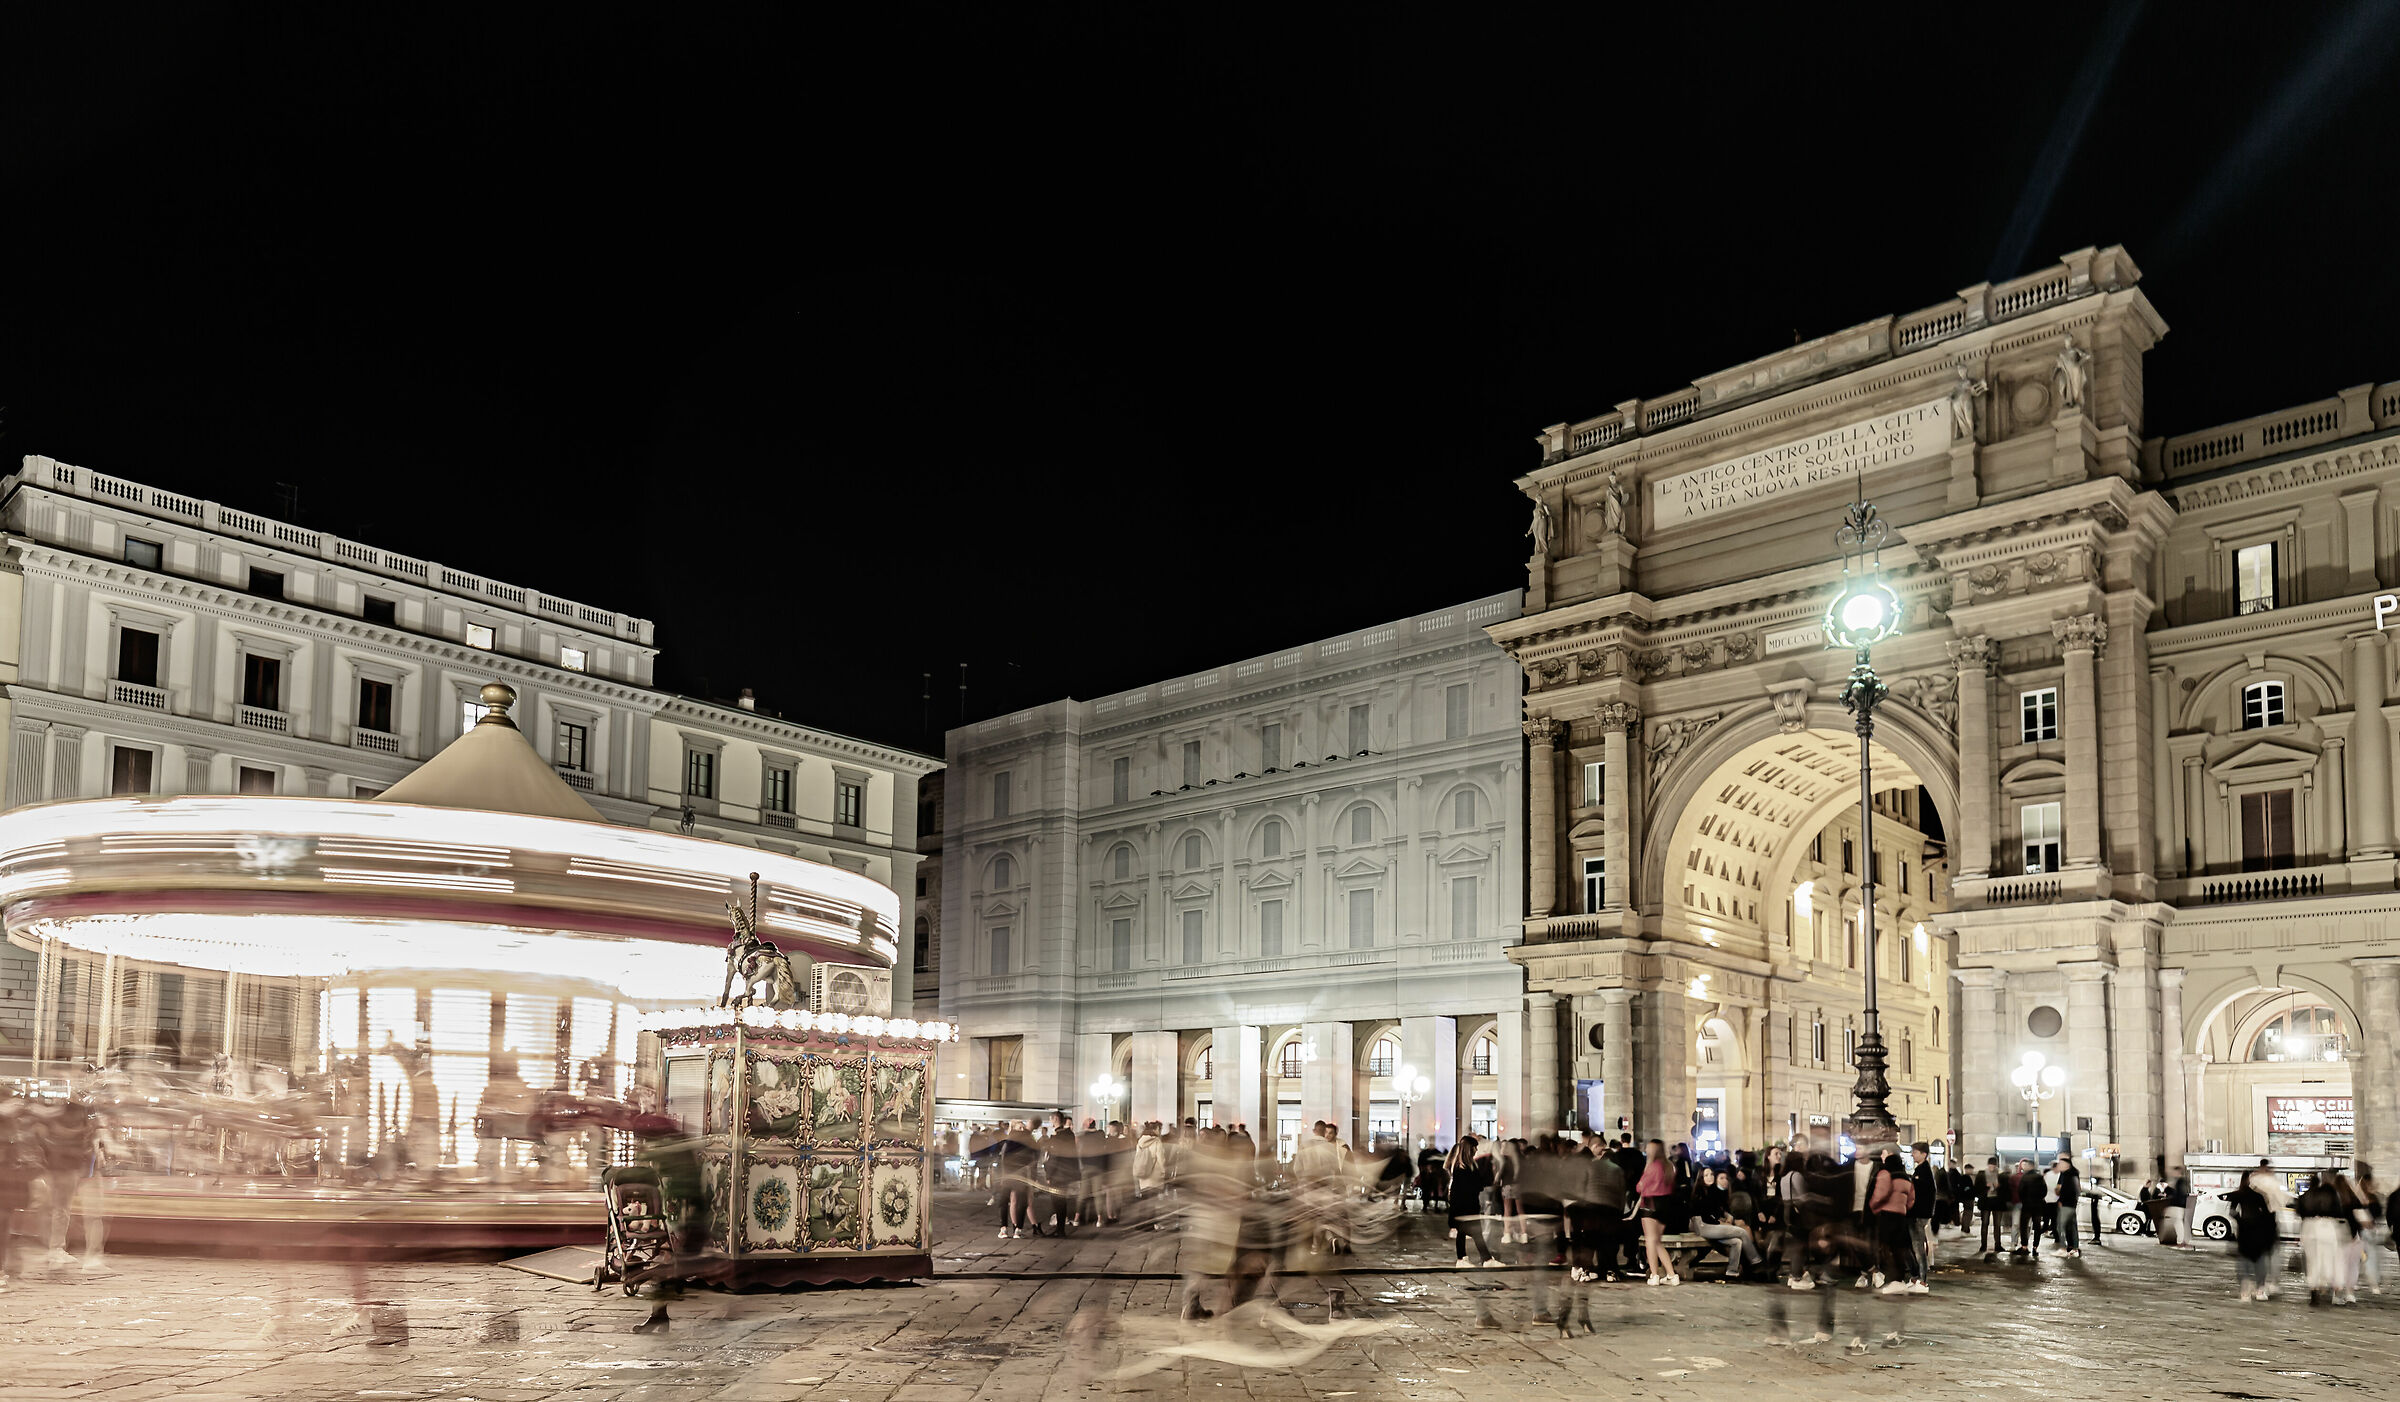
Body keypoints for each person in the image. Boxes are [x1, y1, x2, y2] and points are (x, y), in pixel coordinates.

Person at [1687, 1165, 1760, 1280]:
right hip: (1703, 1226)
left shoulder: (1712, 1191)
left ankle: (1732, 1271)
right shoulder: (1699, 1193)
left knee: (1736, 1242)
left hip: (1711, 1226)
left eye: (1711, 1174)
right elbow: (1705, 1216)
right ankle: (1756, 1260)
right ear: (1701, 1178)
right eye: (1706, 1175)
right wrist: (1720, 1223)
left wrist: (1725, 1218)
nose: (1709, 1177)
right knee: (1741, 1232)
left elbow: (1719, 1211)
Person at [2297, 1170, 2349, 1306]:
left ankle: (2314, 1292)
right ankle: (2324, 1284)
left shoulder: (2304, 1197)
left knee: (2312, 1262)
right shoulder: (2329, 1193)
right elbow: (2338, 1211)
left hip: (2308, 1228)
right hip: (2327, 1227)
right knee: (2328, 1259)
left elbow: (2299, 1211)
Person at [1445, 1135, 1497, 1267]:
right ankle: (1483, 1259)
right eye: (1474, 1147)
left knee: (1466, 1233)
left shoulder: (1465, 1166)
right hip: (1465, 1206)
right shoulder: (1463, 1168)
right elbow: (1472, 1186)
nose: (1476, 1150)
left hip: (1466, 1205)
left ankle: (1466, 1259)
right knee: (1474, 1233)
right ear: (1470, 1149)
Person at [1634, 1139, 1680, 1286]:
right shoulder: (1669, 1167)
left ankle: (1654, 1274)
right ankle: (1672, 1275)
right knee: (1657, 1241)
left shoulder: (1652, 1167)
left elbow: (1640, 1187)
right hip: (1666, 1205)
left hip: (1650, 1204)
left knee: (1650, 1241)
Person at [2228, 1171, 2279, 1302]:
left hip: (2244, 1231)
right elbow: (2267, 1214)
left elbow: (2232, 1212)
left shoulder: (2238, 1195)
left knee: (2244, 1260)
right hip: (2257, 1230)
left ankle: (2245, 1292)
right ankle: (2259, 1290)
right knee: (2260, 1261)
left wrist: (2241, 1221)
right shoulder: (2259, 1195)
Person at [1908, 1142, 1939, 1285]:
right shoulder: (1921, 1170)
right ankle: (1918, 1276)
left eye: (1915, 1152)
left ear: (1923, 1154)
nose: (1912, 1154)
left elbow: (1923, 1193)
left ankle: (1922, 1278)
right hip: (1921, 1213)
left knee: (1918, 1246)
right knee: (1916, 1245)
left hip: (1919, 1214)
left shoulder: (1923, 1171)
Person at [2355, 1163, 2385, 1296]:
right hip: (2365, 1231)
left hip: (2366, 1231)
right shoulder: (2366, 1197)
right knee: (2369, 1258)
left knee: (2363, 1258)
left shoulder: (2364, 1196)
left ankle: (2361, 1282)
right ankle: (2373, 1284)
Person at [2013, 1158, 2046, 1256]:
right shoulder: (2040, 1177)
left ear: (2030, 1166)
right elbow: (2044, 1191)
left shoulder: (2025, 1177)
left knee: (2023, 1226)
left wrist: (2024, 1200)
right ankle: (2035, 1248)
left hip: (2027, 1205)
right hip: (2038, 1205)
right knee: (2037, 1227)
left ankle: (2024, 1246)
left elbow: (2020, 1191)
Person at [2051, 1155, 2082, 1258]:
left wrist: (2061, 1200)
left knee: (2060, 1226)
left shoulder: (2069, 1175)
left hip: (2067, 1204)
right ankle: (2074, 1249)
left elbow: (2067, 1190)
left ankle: (2064, 1249)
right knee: (2071, 1227)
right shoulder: (2071, 1174)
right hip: (2071, 1204)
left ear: (2066, 1165)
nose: (2059, 1165)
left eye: (2061, 1163)